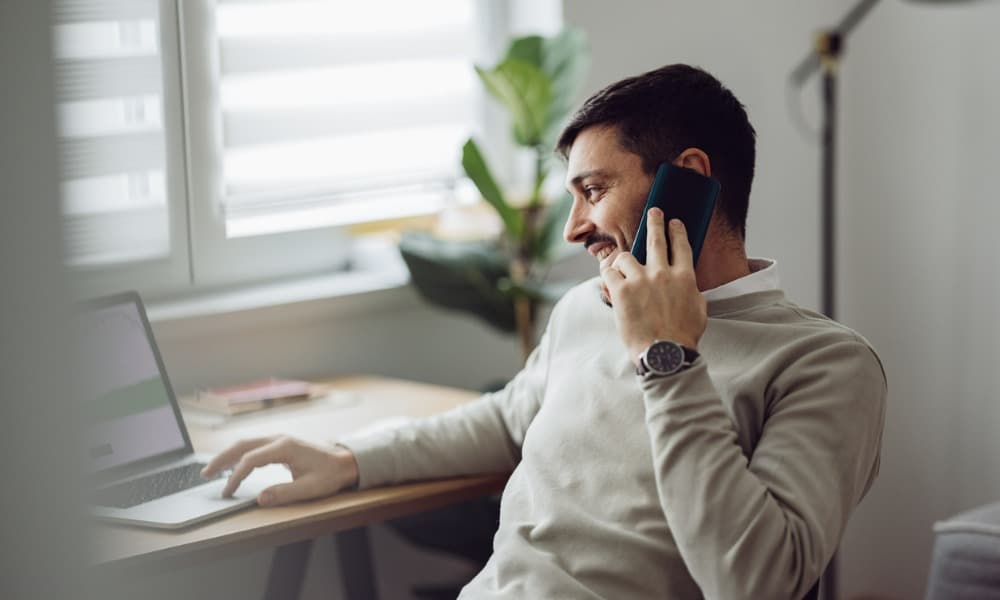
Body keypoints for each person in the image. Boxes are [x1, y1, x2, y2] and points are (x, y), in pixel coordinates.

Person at [202, 64, 886, 599]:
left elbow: (755, 582)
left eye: (593, 191)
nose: (572, 229)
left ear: (689, 179)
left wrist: (666, 356)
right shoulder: (588, 309)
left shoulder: (824, 364)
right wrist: (348, 458)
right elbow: (507, 421)